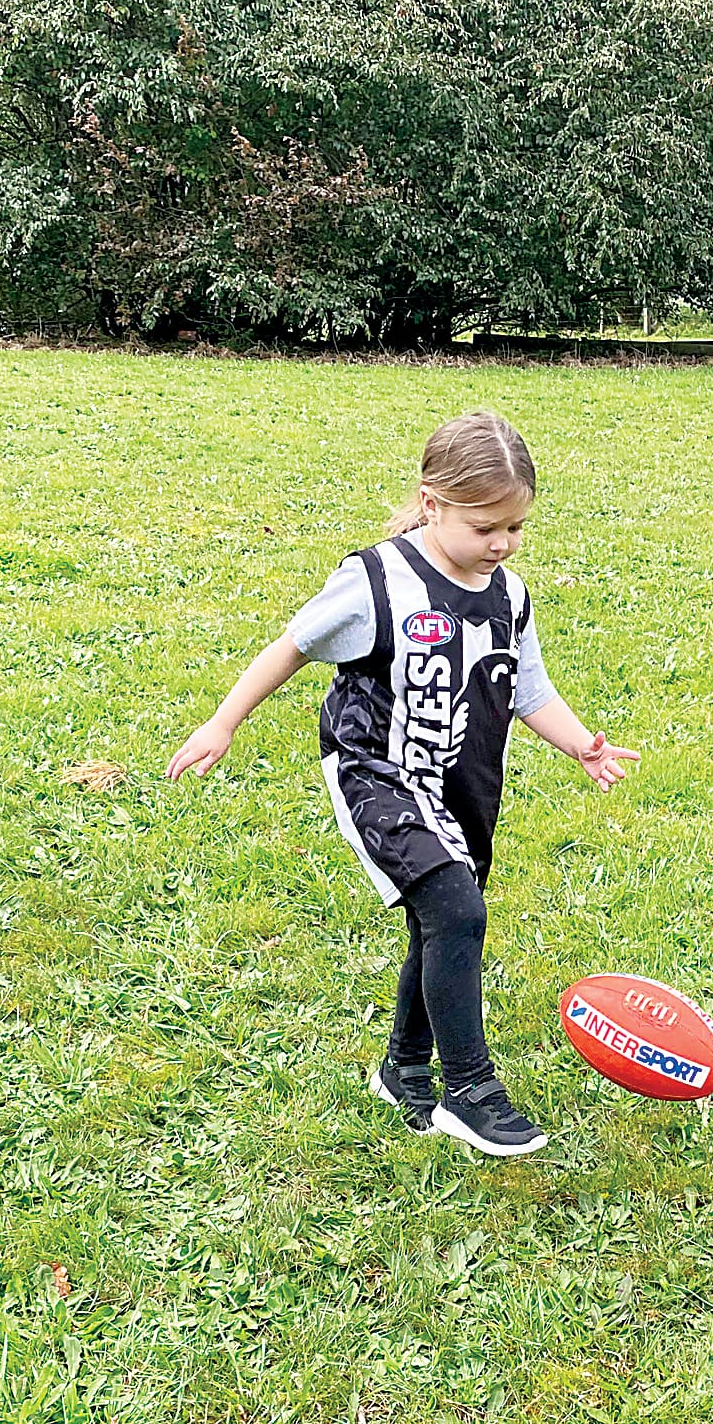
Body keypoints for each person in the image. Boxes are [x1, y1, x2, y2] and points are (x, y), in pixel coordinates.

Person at [166, 411, 636, 1158]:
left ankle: (403, 1067)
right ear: (431, 502)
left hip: (463, 785)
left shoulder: (507, 594)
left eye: (516, 526)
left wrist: (580, 743)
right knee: (456, 909)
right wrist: (223, 722)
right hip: (377, 774)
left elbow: (528, 687)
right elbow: (290, 646)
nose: (503, 544)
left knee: (441, 920)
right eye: (486, 526)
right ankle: (470, 1090)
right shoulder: (378, 581)